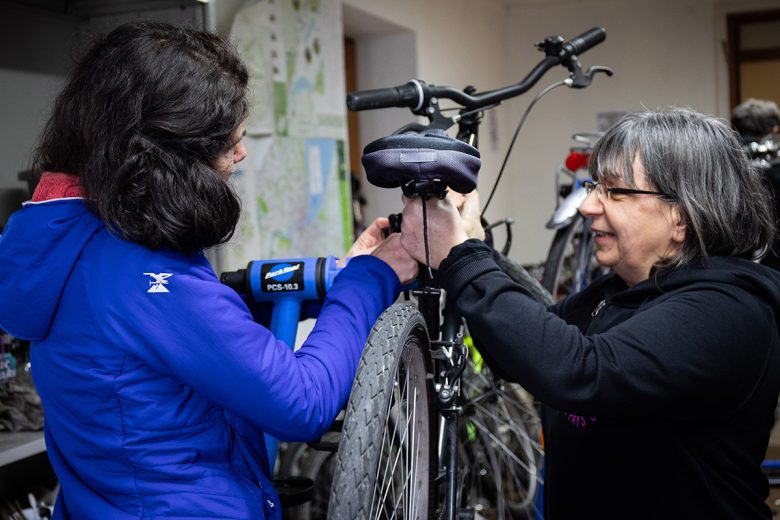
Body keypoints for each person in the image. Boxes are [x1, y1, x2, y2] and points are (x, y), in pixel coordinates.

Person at [0, 21, 417, 519]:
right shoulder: (147, 278)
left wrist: (337, 278)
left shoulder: (66, 239)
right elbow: (302, 402)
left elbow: (149, 357)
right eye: (227, 142)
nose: (241, 153)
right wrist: (370, 278)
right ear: (171, 154)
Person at [401, 108, 780, 518]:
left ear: (681, 217)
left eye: (615, 192)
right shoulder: (623, 289)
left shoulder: (727, 311)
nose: (587, 206)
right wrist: (473, 242)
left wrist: (462, 258)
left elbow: (577, 371)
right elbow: (528, 351)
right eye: (594, 186)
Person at [732, 98, 780, 271]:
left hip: (728, 260)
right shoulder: (775, 165)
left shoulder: (719, 160)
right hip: (773, 263)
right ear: (774, 129)